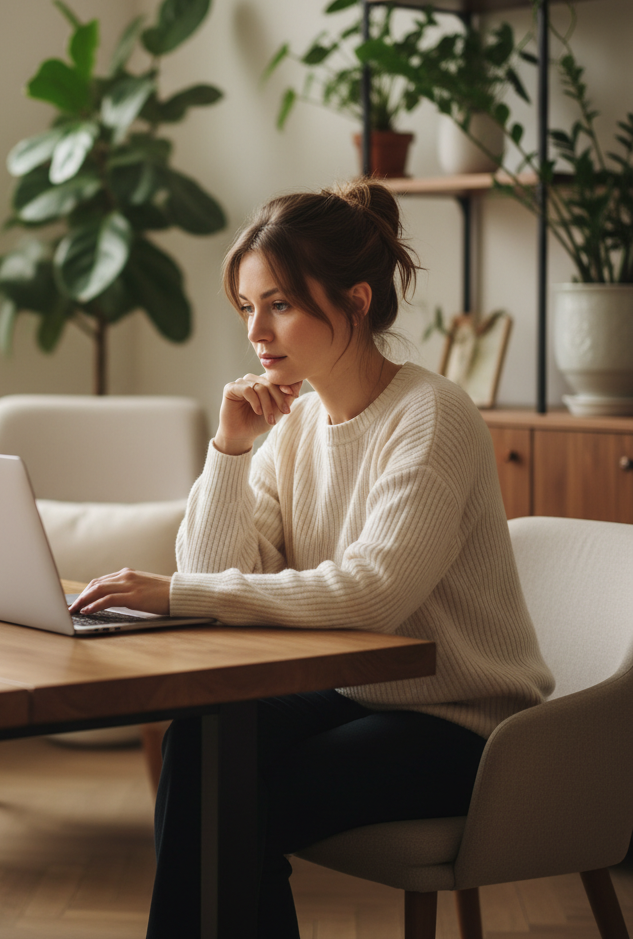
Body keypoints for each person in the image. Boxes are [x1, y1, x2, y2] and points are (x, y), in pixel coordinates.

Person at [68, 179, 554, 938]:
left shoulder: (432, 416)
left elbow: (370, 595)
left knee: (234, 807)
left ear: (356, 301)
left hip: (464, 723)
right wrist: (230, 451)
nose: (258, 332)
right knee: (201, 742)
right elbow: (221, 563)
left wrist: (177, 595)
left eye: (281, 305)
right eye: (247, 307)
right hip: (359, 695)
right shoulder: (292, 426)